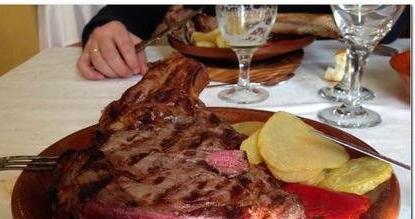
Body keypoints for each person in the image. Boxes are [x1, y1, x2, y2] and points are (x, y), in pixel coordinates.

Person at [77, 5, 409, 80]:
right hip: (207, 71)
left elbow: (397, 19)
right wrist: (110, 24)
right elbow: (135, 10)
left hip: (330, 70)